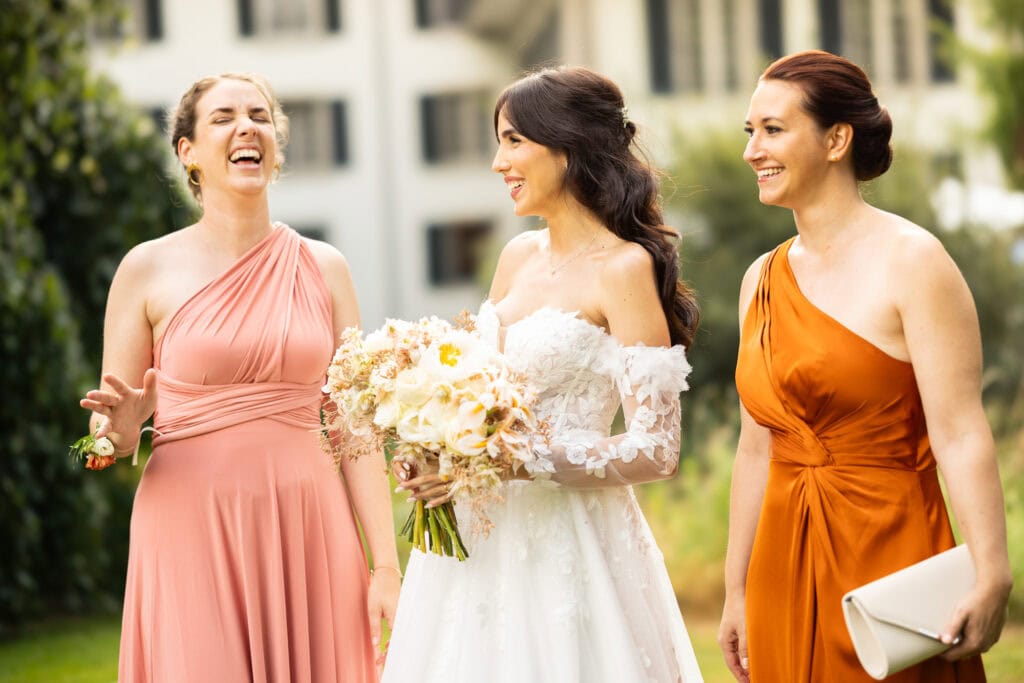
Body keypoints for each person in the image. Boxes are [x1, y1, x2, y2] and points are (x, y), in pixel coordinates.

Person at [381, 66, 703, 682]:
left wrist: (517, 460)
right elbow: (486, 395)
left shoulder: (624, 268)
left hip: (570, 543)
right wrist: (438, 450)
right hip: (478, 545)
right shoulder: (516, 256)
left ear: (567, 145)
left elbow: (656, 450)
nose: (499, 161)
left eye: (514, 141)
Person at [79, 73, 400, 682]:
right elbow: (105, 434)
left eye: (258, 116)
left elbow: (355, 428)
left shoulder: (325, 267)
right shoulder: (144, 268)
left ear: (274, 147)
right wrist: (117, 433)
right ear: (188, 152)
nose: (246, 126)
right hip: (189, 522)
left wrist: (385, 566)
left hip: (309, 521)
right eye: (223, 117)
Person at [718, 50, 1012, 682]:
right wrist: (736, 590)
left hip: (890, 558)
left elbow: (960, 432)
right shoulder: (758, 280)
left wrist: (992, 570)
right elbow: (754, 450)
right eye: (751, 132)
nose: (752, 151)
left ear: (836, 139)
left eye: (772, 129)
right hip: (779, 562)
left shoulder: (914, 261)